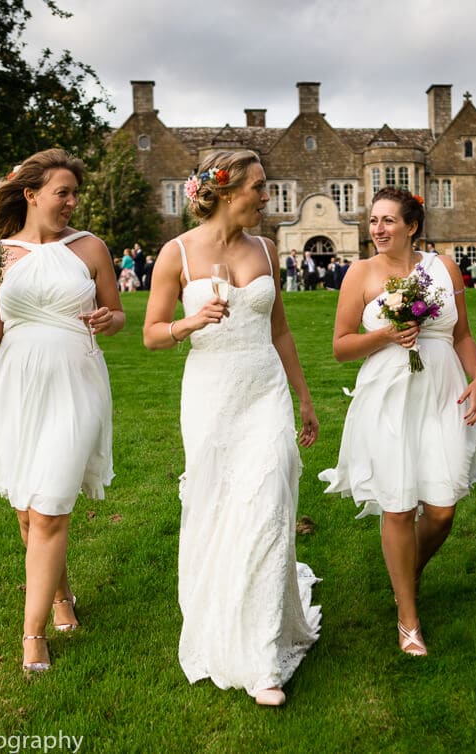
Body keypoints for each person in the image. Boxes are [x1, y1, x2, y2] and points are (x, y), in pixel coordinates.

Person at [143, 149, 321, 707]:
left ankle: (264, 657)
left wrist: (304, 396)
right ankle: (217, 611)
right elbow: (150, 333)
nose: (268, 198)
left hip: (265, 390)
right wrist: (189, 322)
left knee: (270, 499)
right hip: (212, 393)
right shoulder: (176, 255)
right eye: (259, 188)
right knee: (217, 503)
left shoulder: (267, 249)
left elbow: (282, 332)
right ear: (224, 191)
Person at [0, 148, 125, 674]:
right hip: (15, 383)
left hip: (77, 380)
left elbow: (117, 314)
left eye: (75, 193)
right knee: (29, 513)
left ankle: (32, 637)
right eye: (62, 193)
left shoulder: (90, 248)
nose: (71, 202)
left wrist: (107, 319)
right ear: (30, 195)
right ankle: (60, 596)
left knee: (49, 509)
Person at [319, 187, 476, 657]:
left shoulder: (443, 268)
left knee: (442, 508)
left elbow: (463, 335)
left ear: (412, 226)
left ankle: (406, 570)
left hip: (442, 391)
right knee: (396, 505)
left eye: (388, 220)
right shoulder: (361, 273)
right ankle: (408, 617)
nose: (378, 229)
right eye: (373, 221)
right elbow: (340, 346)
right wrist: (386, 335)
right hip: (390, 394)